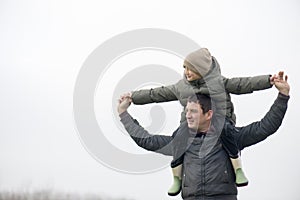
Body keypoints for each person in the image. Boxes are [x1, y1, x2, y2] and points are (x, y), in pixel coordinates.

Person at [120, 48, 276, 195]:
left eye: (191, 69)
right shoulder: (181, 87)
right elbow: (157, 94)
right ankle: (177, 177)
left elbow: (244, 84)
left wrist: (269, 81)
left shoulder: (219, 83)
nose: (187, 72)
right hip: (189, 127)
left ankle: (237, 169)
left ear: (201, 69)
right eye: (185, 68)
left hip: (221, 121)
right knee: (179, 138)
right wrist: (133, 97)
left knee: (226, 132)